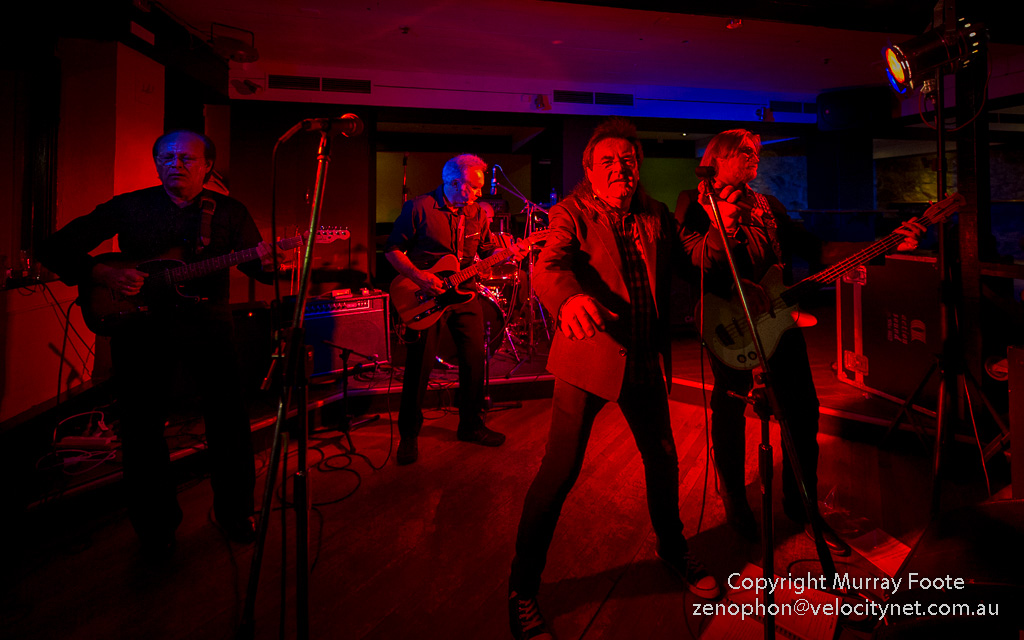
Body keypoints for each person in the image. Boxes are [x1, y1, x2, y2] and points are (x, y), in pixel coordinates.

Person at [508, 119, 720, 640]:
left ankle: (672, 548)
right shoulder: (570, 213)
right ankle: (522, 587)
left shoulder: (656, 213)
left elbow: (695, 260)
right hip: (590, 358)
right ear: (590, 169)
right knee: (559, 473)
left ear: (638, 167)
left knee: (663, 459)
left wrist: (722, 227)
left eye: (627, 160)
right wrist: (569, 300)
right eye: (608, 161)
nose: (619, 168)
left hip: (645, 359)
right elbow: (548, 266)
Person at [676, 129, 925, 551]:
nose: (753, 155)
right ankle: (733, 495)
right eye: (743, 151)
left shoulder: (768, 205)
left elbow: (818, 249)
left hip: (781, 318)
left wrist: (885, 243)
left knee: (804, 412)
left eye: (755, 151)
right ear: (716, 159)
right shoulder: (693, 202)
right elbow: (691, 264)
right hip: (727, 320)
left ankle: (801, 504)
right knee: (729, 406)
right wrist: (729, 272)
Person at [38, 129, 279, 556]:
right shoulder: (129, 206)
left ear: (207, 166)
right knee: (141, 427)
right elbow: (56, 247)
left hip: (209, 324)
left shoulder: (230, 211)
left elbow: (260, 269)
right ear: (156, 165)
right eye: (166, 157)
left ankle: (236, 512)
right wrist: (104, 273)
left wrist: (278, 263)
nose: (175, 164)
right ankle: (155, 528)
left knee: (228, 419)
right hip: (141, 328)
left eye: (187, 158)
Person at [385, 154, 516, 465]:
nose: (480, 194)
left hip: (465, 294)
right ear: (455, 183)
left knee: (475, 360)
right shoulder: (419, 208)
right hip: (426, 296)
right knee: (419, 367)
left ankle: (470, 425)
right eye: (475, 187)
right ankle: (409, 435)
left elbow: (485, 251)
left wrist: (508, 253)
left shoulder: (477, 214)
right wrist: (420, 277)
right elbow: (392, 250)